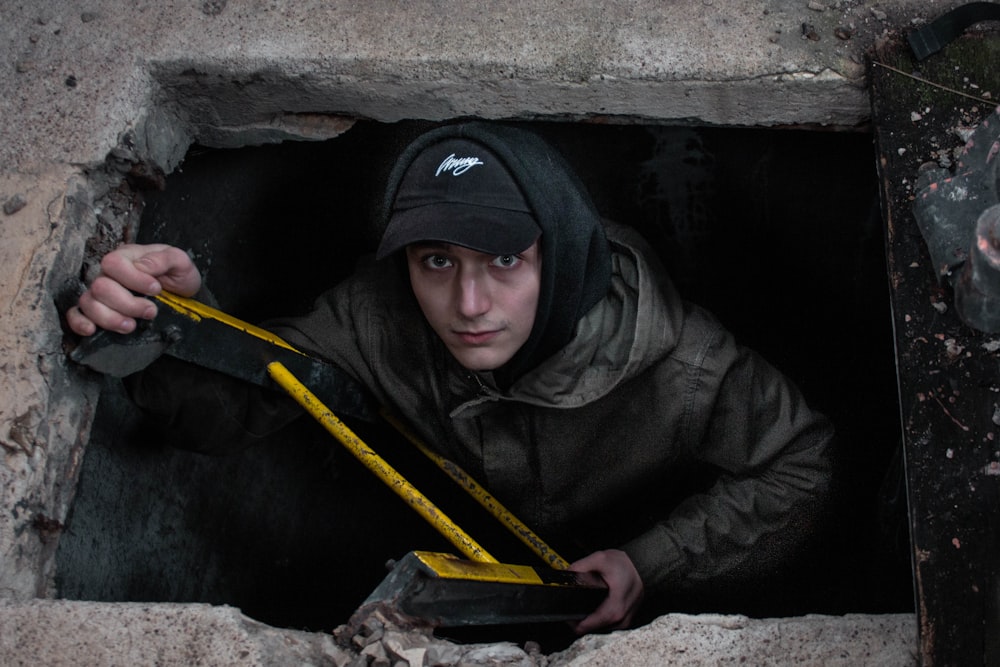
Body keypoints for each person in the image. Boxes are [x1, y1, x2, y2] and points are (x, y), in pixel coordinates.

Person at [66, 122, 833, 634]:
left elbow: (806, 467)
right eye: (437, 261)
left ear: (559, 257)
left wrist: (652, 559)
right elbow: (229, 412)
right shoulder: (377, 315)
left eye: (505, 260)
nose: (468, 305)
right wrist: (169, 327)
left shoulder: (684, 360)